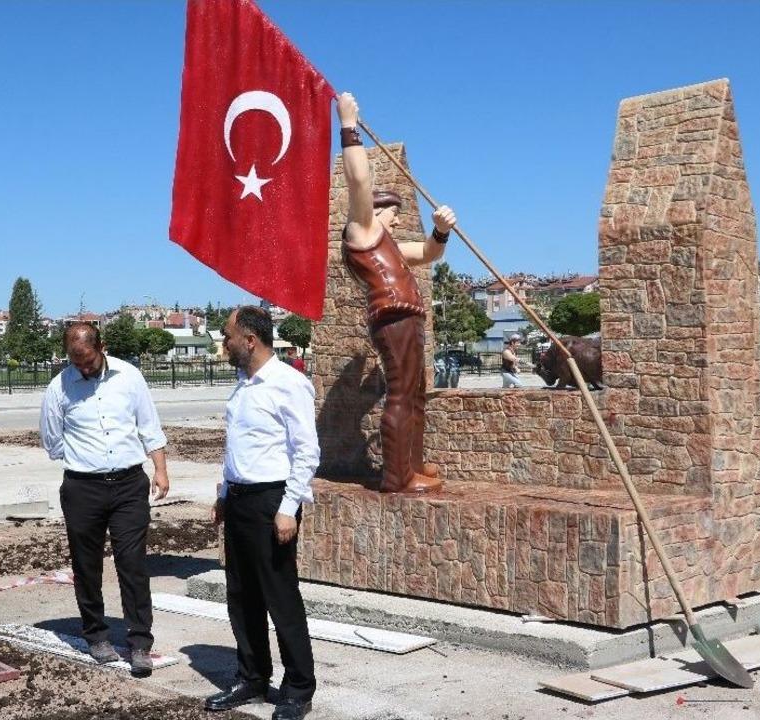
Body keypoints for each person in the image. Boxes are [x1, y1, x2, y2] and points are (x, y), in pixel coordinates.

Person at [337, 91, 457, 494]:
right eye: (392, 212)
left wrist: (441, 228)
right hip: (393, 316)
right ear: (375, 210)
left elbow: (429, 252)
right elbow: (359, 178)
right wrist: (349, 126)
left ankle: (414, 464)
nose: (396, 219)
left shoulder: (385, 243)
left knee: (415, 394)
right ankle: (397, 476)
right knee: (402, 394)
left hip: (408, 316)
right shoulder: (363, 230)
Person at [205, 306, 319, 720]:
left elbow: (307, 451)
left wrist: (289, 508)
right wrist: (223, 492)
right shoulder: (242, 384)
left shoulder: (289, 383)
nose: (225, 343)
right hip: (239, 500)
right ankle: (252, 677)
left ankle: (298, 688)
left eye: (228, 336)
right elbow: (238, 447)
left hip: (272, 501)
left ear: (249, 340)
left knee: (279, 595)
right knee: (242, 595)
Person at [40, 322, 169, 678]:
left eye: (88, 360)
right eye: (75, 361)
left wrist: (160, 469)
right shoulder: (59, 388)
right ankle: (96, 634)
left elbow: (149, 426)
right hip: (83, 489)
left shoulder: (129, 377)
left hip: (129, 485)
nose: (82, 368)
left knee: (132, 563)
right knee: (87, 565)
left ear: (102, 347)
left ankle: (140, 642)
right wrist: (87, 463)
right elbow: (52, 440)